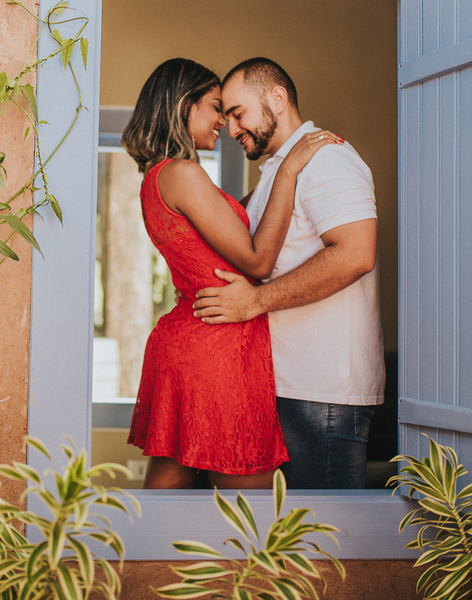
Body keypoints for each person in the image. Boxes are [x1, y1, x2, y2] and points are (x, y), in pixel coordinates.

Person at [119, 57, 339, 490]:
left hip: (194, 336)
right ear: (185, 106)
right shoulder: (184, 174)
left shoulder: (159, 178)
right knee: (253, 509)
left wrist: (273, 174)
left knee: (167, 494)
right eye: (216, 107)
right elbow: (257, 261)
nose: (224, 121)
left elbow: (221, 228)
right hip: (215, 345)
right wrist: (289, 168)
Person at [192, 57, 384, 490]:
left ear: (277, 98)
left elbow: (356, 254)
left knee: (321, 530)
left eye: (238, 114)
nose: (232, 128)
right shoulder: (277, 173)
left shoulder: (328, 159)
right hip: (287, 384)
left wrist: (254, 301)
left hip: (322, 393)